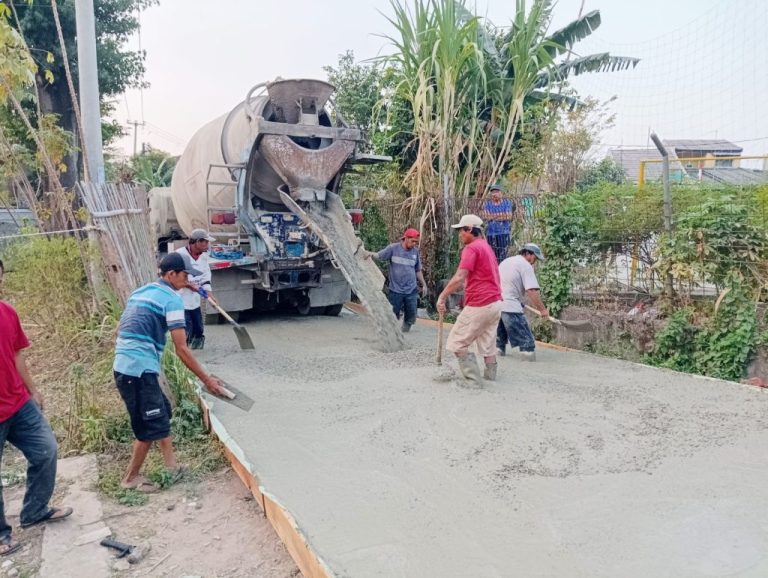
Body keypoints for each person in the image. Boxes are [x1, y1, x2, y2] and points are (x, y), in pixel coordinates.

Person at [113, 252, 224, 493]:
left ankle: (172, 466)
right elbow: (182, 349)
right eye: (184, 275)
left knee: (162, 411)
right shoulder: (172, 301)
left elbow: (120, 329)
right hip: (137, 371)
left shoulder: (141, 291)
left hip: (125, 366)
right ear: (171, 274)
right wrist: (207, 379)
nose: (187, 279)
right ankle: (130, 478)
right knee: (148, 426)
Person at [0, 300, 72, 555]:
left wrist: (33, 390)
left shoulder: (6, 311)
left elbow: (17, 353)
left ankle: (35, 511)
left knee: (46, 449)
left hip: (17, 402)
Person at [436, 214, 502, 382]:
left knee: (457, 342)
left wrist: (442, 297)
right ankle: (490, 378)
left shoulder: (471, 248)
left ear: (470, 230)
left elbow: (459, 277)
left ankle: (474, 381)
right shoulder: (486, 247)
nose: (460, 235)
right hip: (495, 304)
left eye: (462, 231)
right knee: (488, 345)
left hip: (480, 304)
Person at [365, 228, 427, 332]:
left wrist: (424, 284)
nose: (414, 244)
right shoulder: (393, 249)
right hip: (396, 289)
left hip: (411, 289)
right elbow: (380, 255)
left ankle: (405, 330)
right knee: (393, 314)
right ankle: (392, 332)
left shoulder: (415, 252)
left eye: (416, 242)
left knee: (411, 313)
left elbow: (417, 270)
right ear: (406, 238)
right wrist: (369, 254)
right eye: (412, 241)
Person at [497, 243, 548, 361]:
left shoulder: (506, 261)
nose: (535, 261)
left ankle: (499, 353)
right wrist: (543, 310)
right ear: (528, 253)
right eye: (535, 257)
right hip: (511, 308)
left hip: (497, 305)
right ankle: (528, 361)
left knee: (498, 344)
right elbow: (531, 291)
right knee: (527, 345)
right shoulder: (525, 265)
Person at [175, 229, 216, 349]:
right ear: (197, 242)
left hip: (194, 301)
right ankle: (184, 354)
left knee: (198, 329)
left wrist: (210, 295)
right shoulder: (180, 255)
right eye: (206, 242)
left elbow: (205, 277)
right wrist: (189, 285)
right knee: (186, 329)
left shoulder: (203, 257)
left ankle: (196, 351)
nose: (207, 245)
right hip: (181, 300)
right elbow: (174, 277)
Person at [482, 184, 515, 263]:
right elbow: (486, 216)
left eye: (496, 192)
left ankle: (501, 272)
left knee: (502, 256)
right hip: (491, 233)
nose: (494, 194)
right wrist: (501, 215)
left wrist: (492, 216)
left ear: (501, 193)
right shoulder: (488, 204)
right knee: (492, 256)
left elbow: (508, 216)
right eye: (493, 192)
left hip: (503, 233)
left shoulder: (506, 203)